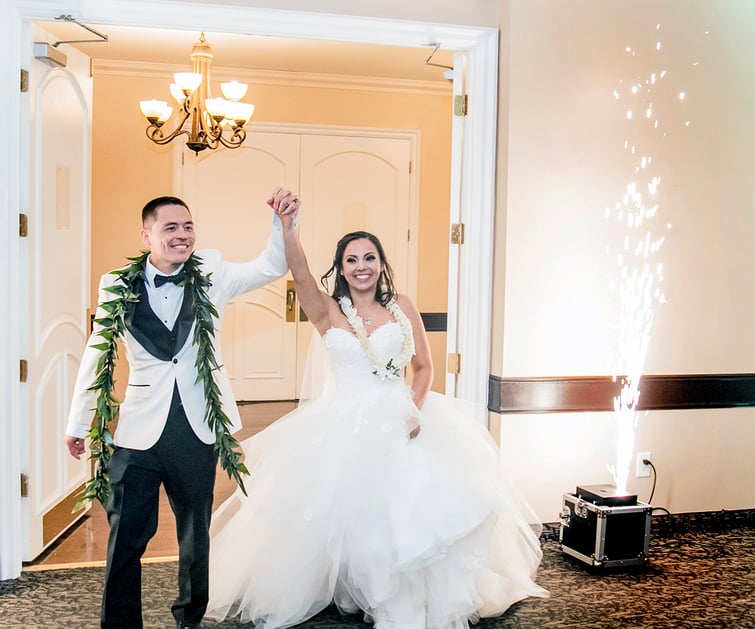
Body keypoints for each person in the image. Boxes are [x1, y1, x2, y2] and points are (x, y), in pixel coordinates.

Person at [205, 198, 548, 629]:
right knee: (349, 512)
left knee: (414, 508)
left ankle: (413, 589)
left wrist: (413, 408)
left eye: (369, 257)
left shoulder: (402, 306)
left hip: (403, 415)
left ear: (381, 264)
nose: (361, 266)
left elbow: (423, 366)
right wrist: (288, 227)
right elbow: (302, 273)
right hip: (343, 423)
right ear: (342, 268)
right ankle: (361, 583)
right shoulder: (326, 309)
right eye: (352, 260)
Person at [64, 187, 300, 629]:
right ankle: (119, 623)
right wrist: (79, 421)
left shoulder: (212, 271)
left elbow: (270, 266)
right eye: (170, 227)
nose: (182, 235)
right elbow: (97, 354)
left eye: (188, 226)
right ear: (146, 234)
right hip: (136, 430)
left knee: (195, 533)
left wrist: (282, 224)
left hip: (198, 424)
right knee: (126, 533)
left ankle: (189, 618)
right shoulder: (117, 284)